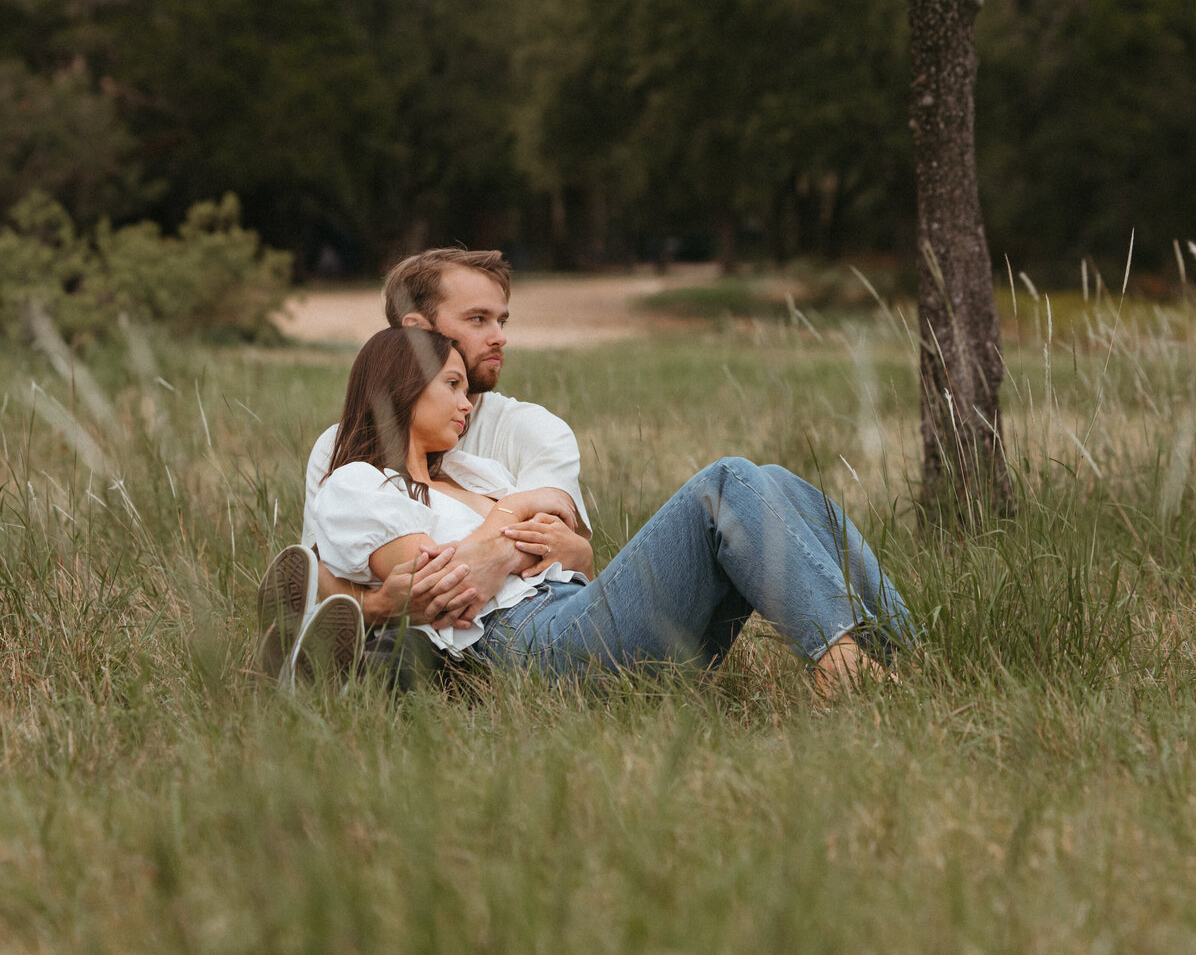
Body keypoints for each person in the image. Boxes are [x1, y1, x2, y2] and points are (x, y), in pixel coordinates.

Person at [287, 326, 915, 694]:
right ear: (399, 387)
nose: (468, 402)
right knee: (726, 483)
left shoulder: (477, 475)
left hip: (572, 610)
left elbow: (570, 544)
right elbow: (439, 584)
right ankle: (843, 668)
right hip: (527, 644)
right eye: (451, 385)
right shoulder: (359, 485)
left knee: (773, 481)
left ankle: (901, 657)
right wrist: (515, 526)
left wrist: (505, 540)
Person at [254, 247, 590, 685]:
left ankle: (372, 665)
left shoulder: (531, 433)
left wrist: (525, 537)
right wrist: (377, 607)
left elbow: (565, 546)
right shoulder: (343, 450)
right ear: (415, 331)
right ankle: (358, 664)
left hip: (543, 609)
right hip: (499, 629)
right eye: (477, 320)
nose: (499, 337)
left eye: (501, 321)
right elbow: (323, 574)